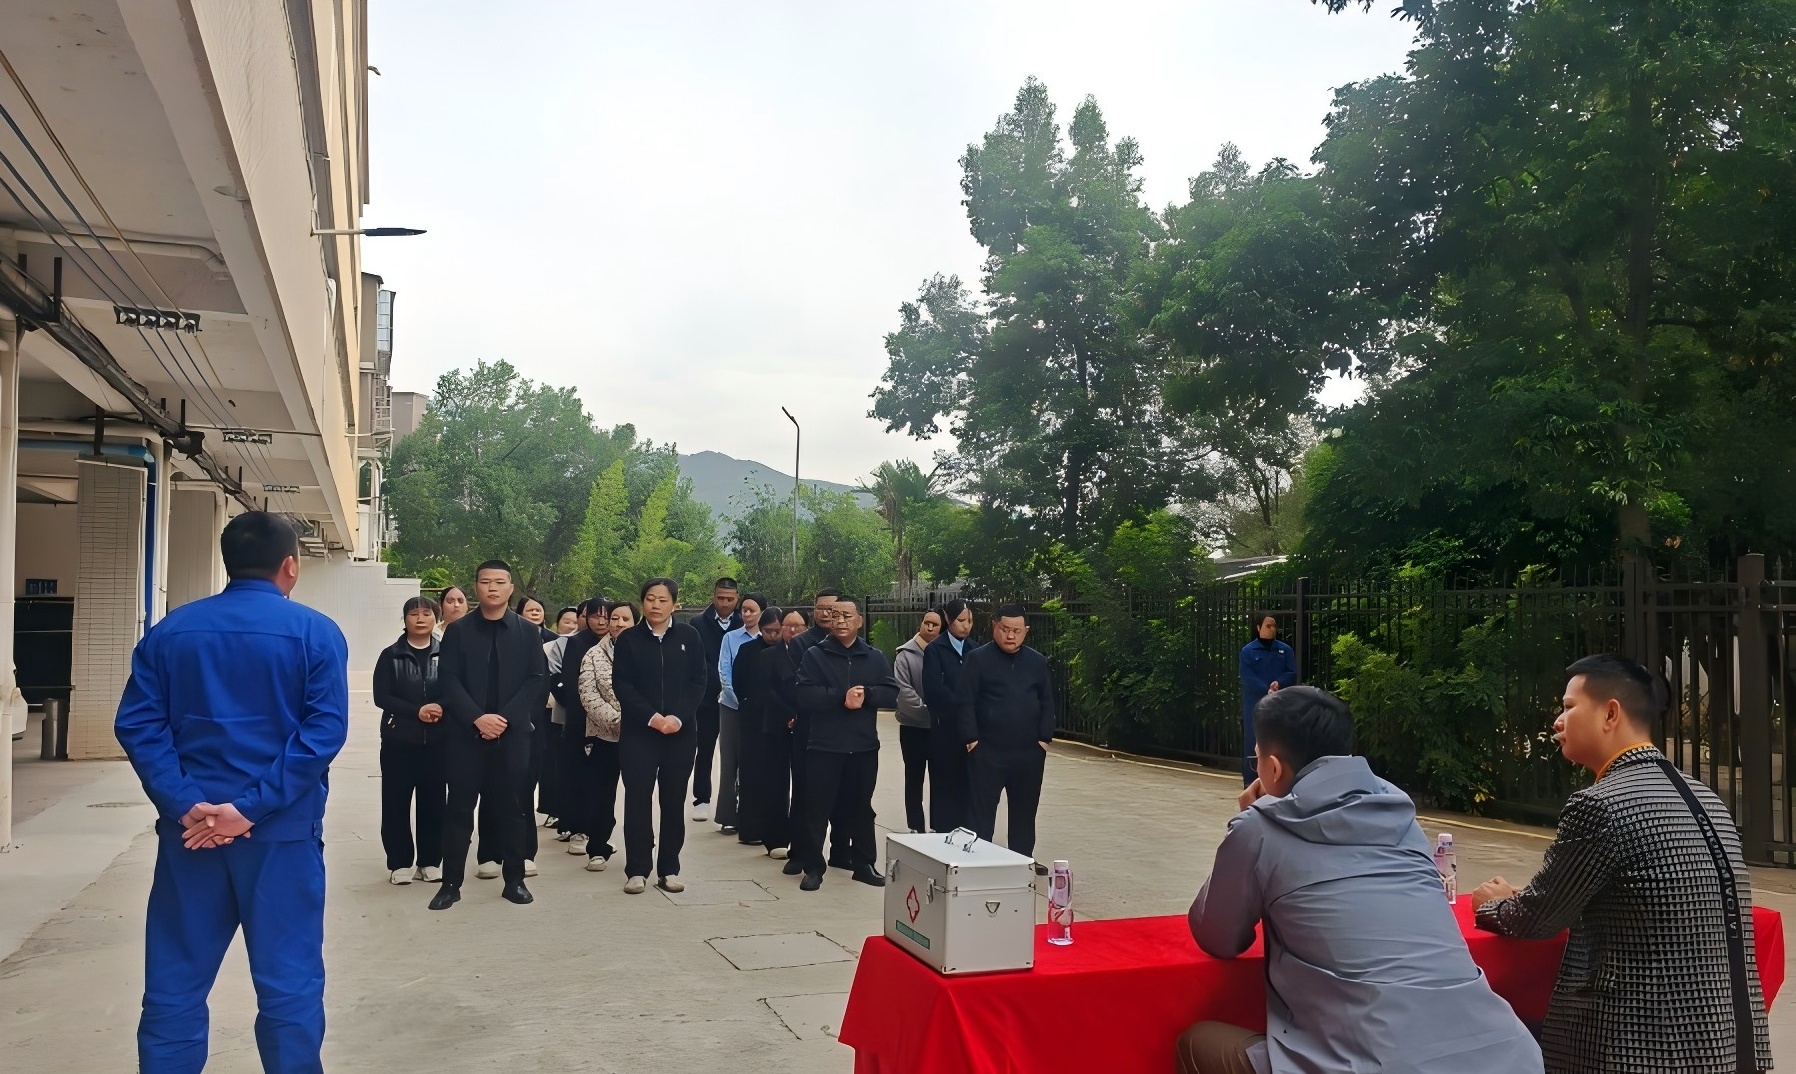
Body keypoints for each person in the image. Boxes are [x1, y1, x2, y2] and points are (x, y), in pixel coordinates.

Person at [1180, 685, 1542, 1074]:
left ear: (1272, 768)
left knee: (1196, 1044)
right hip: (1507, 1055)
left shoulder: (1261, 828)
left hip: (1379, 1063)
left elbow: (1218, 936)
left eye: (1257, 760)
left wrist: (1247, 826)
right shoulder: (1400, 814)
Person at [114, 510, 349, 1073]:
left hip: (192, 837)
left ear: (229, 562)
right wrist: (249, 809)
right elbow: (322, 733)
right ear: (290, 565)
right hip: (281, 838)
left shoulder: (172, 632)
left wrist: (184, 803)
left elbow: (138, 725)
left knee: (174, 983)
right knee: (289, 985)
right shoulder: (315, 634)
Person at [1472, 654, 1771, 1073]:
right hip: (1724, 1044)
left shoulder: (1601, 804)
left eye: (1569, 707)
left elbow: (1536, 919)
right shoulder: (1707, 798)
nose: (1558, 721)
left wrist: (1494, 903)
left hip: (1639, 1049)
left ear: (1610, 713)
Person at [430, 560, 548, 910]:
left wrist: (505, 719)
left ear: (511, 588)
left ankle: (514, 880)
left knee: (513, 809)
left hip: (512, 737)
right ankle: (451, 884)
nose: (492, 588)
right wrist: (477, 718)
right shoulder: (458, 631)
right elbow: (448, 680)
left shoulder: (527, 632)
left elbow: (535, 680)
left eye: (499, 582)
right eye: (485, 582)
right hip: (466, 736)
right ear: (476, 587)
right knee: (459, 810)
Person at [793, 597, 898, 891]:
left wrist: (867, 695)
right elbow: (804, 695)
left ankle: (864, 864)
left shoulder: (874, 657)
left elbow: (892, 693)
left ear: (859, 621)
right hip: (824, 746)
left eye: (847, 615)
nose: (840, 620)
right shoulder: (816, 655)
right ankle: (814, 867)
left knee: (861, 807)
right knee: (817, 808)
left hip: (863, 747)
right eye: (835, 614)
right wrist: (841, 697)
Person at [612, 577, 708, 893]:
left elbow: (698, 681)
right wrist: (653, 718)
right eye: (650, 598)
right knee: (638, 799)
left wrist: (678, 717)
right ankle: (637, 869)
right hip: (640, 733)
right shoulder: (629, 639)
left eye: (663, 599)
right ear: (642, 602)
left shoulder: (689, 637)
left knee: (673, 800)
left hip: (680, 733)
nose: (655, 604)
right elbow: (623, 685)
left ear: (674, 605)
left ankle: (669, 869)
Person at [959, 604, 1054, 856]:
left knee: (1024, 814)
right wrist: (972, 739)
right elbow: (966, 701)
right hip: (987, 752)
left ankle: (1021, 864)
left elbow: (1047, 701)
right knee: (980, 815)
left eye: (1017, 631)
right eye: (1005, 629)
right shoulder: (977, 659)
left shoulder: (1036, 661)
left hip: (1028, 753)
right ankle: (978, 863)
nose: (1010, 636)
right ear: (994, 626)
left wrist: (1044, 739)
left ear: (1026, 631)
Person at [373, 596, 446, 886]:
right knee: (395, 803)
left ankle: (430, 861)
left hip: (438, 741)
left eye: (426, 613)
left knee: (434, 803)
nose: (420, 618)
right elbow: (382, 696)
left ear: (435, 618)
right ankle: (400, 862)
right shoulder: (390, 655)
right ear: (404, 620)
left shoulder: (447, 654)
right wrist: (417, 711)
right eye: (413, 614)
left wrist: (440, 708)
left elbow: (456, 688)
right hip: (398, 741)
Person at [574, 599, 632, 872]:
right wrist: (617, 721)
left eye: (625, 619)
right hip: (604, 736)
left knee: (639, 796)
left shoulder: (645, 651)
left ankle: (640, 848)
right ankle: (598, 848)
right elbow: (588, 695)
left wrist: (638, 720)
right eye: (614, 618)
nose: (619, 624)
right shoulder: (593, 654)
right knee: (601, 796)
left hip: (640, 736)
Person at [551, 597, 610, 858]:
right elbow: (571, 684)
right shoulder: (576, 643)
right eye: (595, 615)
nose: (601, 621)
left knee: (602, 782)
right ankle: (577, 828)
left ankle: (599, 832)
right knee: (577, 777)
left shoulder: (618, 642)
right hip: (580, 719)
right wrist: (587, 717)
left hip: (611, 722)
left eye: (606, 616)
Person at [690, 577, 742, 822]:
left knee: (738, 752)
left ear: (737, 598)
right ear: (713, 596)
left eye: (729, 599)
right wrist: (717, 680)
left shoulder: (744, 622)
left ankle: (737, 798)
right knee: (704, 749)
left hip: (738, 698)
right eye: (720, 598)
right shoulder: (698, 623)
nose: (724, 603)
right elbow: (696, 660)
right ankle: (701, 798)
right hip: (707, 698)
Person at [731, 605, 784, 850]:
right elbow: (738, 682)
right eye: (768, 631)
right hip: (753, 719)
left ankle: (776, 830)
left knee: (776, 775)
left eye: (777, 630)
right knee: (751, 772)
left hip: (780, 720)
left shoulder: (787, 651)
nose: (772, 635)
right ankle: (750, 828)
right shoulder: (747, 650)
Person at [715, 592, 765, 837]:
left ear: (762, 612)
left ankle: (751, 814)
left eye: (752, 610)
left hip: (759, 710)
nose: (747, 614)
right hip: (731, 707)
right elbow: (724, 671)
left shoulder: (768, 638)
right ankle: (728, 816)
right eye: (744, 610)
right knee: (729, 761)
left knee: (753, 763)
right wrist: (740, 700)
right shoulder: (730, 638)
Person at [923, 599, 974, 832]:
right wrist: (961, 706)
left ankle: (968, 829)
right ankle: (943, 830)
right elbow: (934, 690)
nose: (966, 626)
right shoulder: (936, 650)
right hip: (945, 728)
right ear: (949, 619)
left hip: (971, 731)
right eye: (961, 620)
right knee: (944, 783)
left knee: (969, 784)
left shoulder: (975, 650)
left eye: (970, 621)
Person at [763, 608, 808, 869]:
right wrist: (788, 715)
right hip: (777, 725)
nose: (792, 630)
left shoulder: (813, 654)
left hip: (805, 725)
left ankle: (800, 840)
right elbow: (767, 691)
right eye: (787, 625)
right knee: (776, 783)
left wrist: (800, 715)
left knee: (804, 784)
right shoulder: (769, 656)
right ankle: (775, 838)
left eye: (798, 626)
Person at [893, 608, 945, 833]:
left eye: (935, 624)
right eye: (927, 623)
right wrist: (931, 712)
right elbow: (903, 692)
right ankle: (916, 826)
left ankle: (939, 825)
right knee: (914, 778)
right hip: (913, 727)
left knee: (940, 778)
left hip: (940, 730)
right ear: (920, 624)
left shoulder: (946, 653)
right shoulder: (905, 654)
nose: (930, 627)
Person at [1238, 612, 1296, 786]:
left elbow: (1291, 672)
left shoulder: (1285, 650)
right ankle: (1250, 782)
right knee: (1253, 741)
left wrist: (1279, 683)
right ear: (1258, 627)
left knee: (1279, 742)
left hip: (1279, 703)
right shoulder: (1248, 651)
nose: (1272, 629)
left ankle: (1277, 780)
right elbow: (1247, 677)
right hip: (1255, 705)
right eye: (1268, 625)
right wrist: (1266, 689)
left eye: (1274, 626)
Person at [792, 588, 840, 653]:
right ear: (814, 610)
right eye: (820, 608)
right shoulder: (799, 642)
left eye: (830, 609)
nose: (824, 614)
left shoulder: (850, 641)